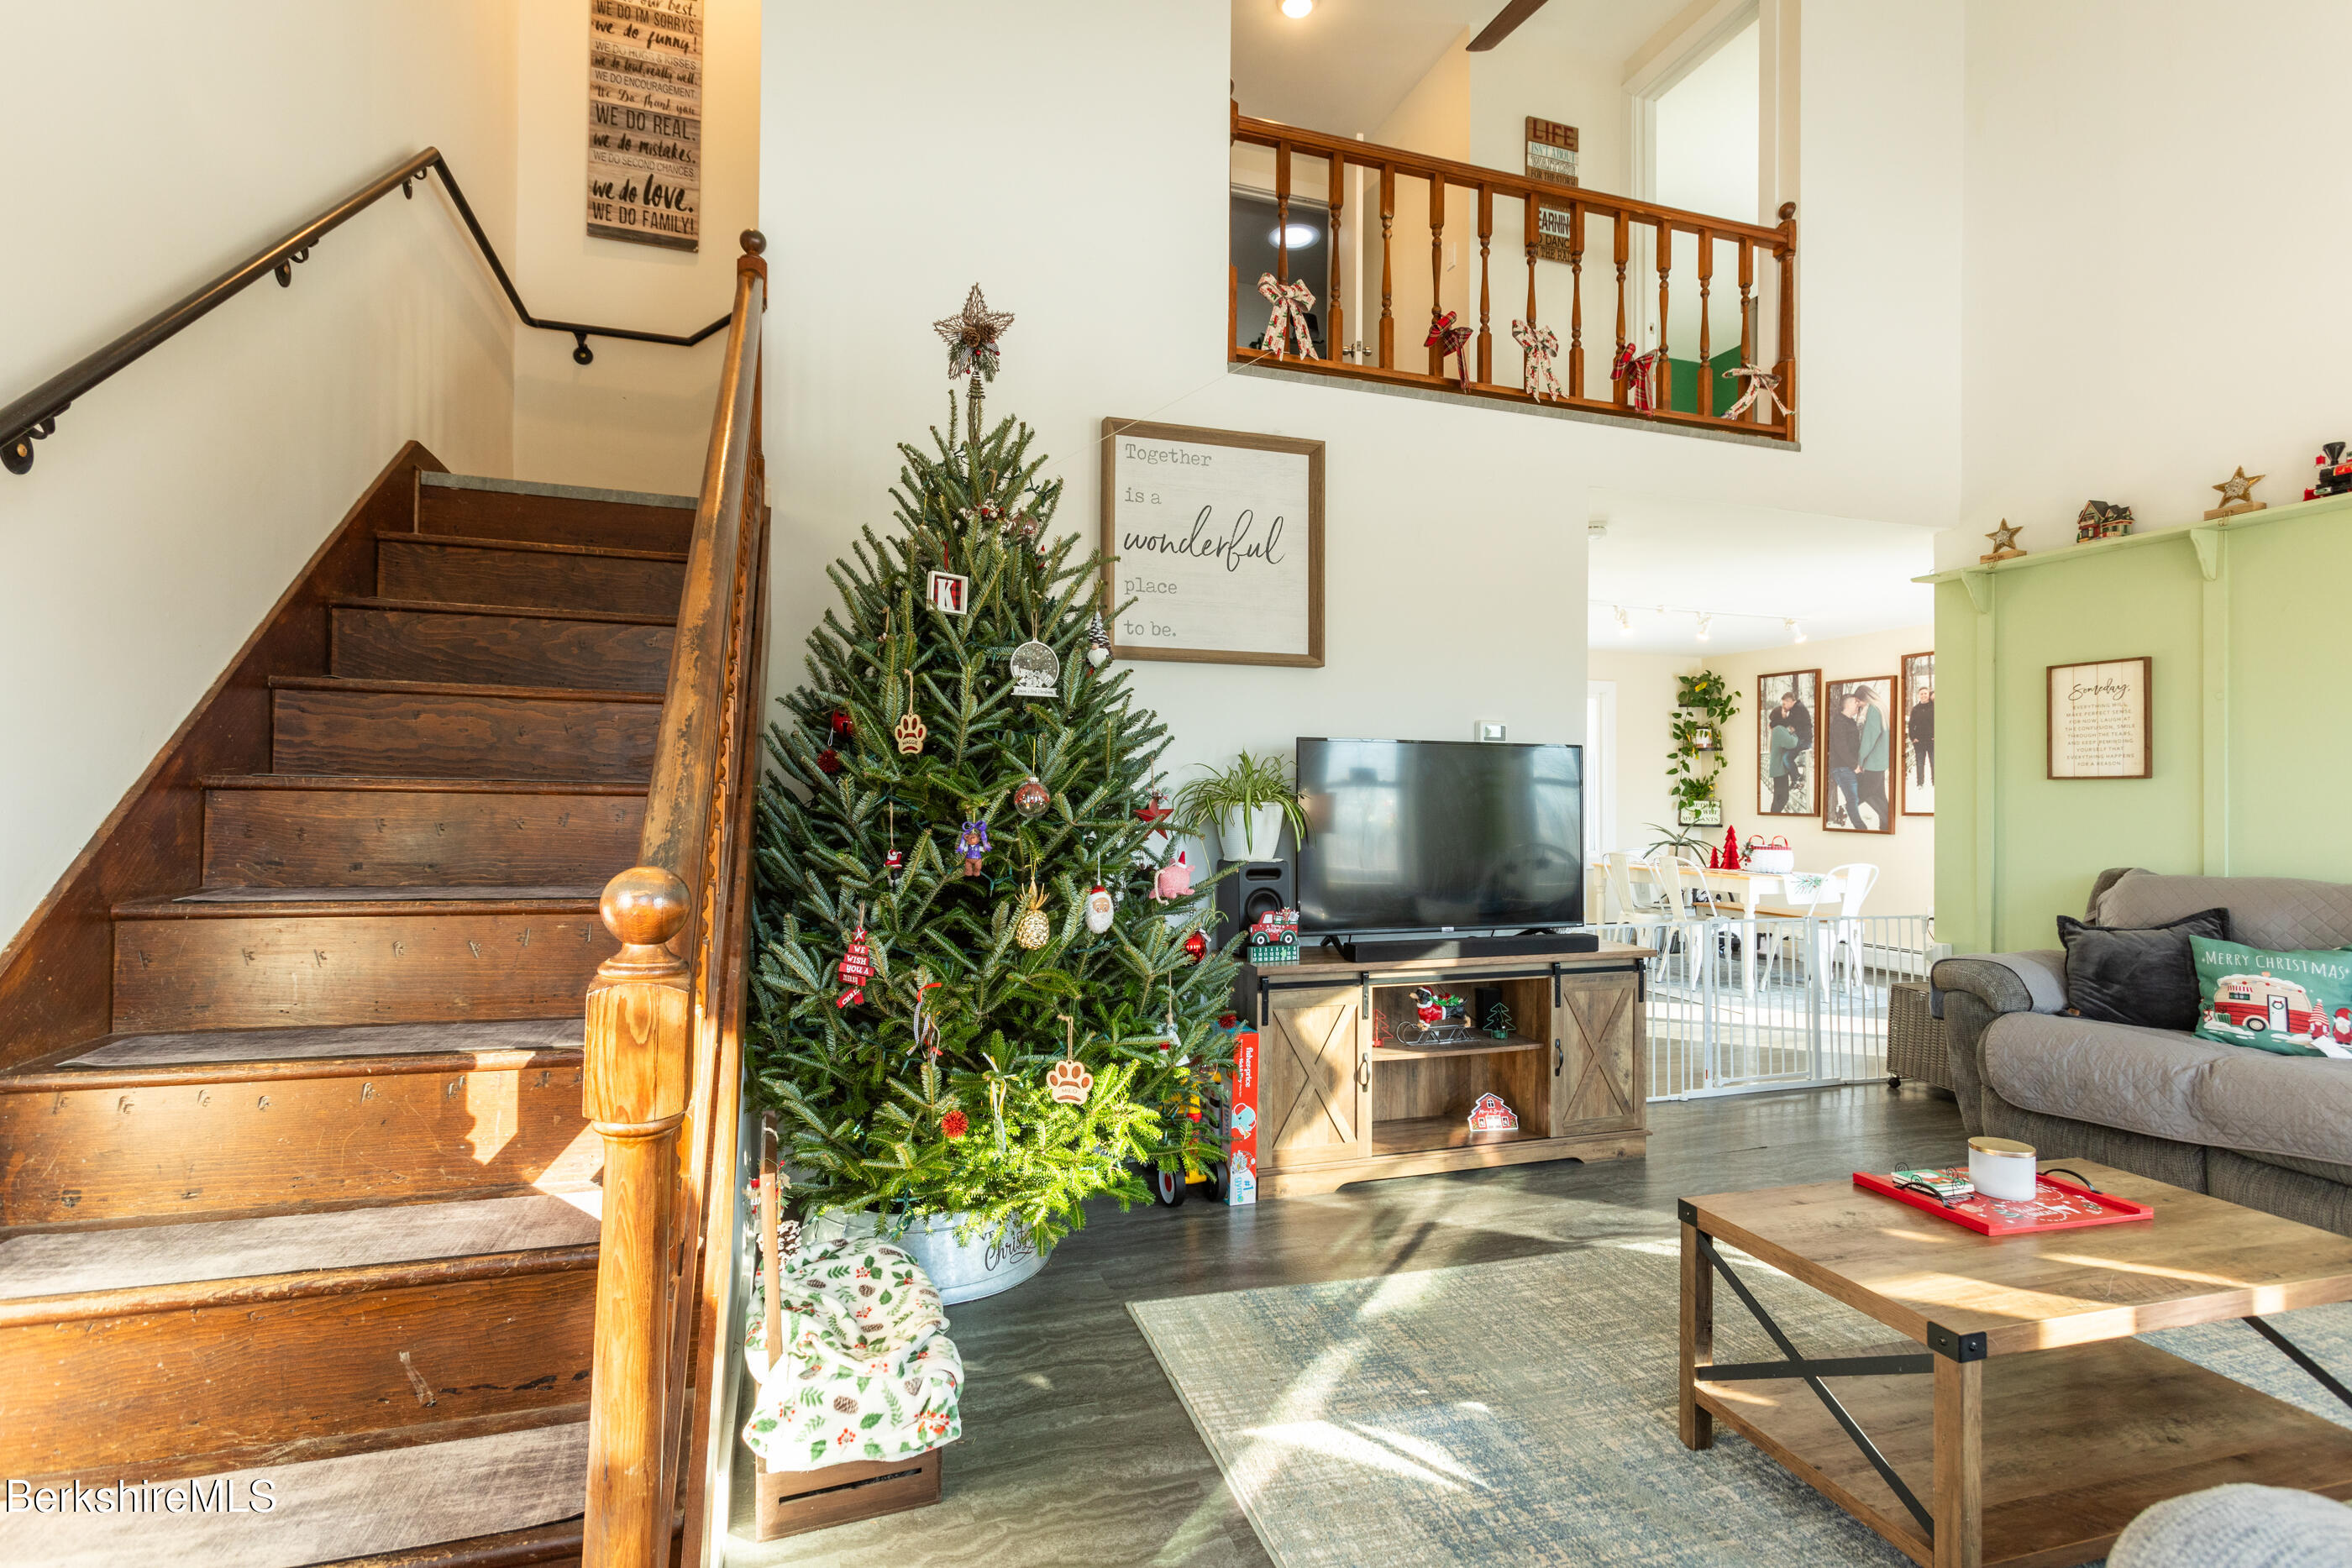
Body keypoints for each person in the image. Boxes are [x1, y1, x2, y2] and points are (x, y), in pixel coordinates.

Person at [1767, 688, 1814, 813]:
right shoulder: (1779, 729)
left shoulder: (1796, 710)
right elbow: (1791, 743)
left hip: (1779, 769)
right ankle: (1796, 779)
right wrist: (1792, 733)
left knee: (1781, 798)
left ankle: (1796, 779)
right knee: (1781, 799)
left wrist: (1792, 731)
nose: (1784, 709)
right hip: (1779, 770)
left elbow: (1790, 725)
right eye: (1782, 707)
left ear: (1790, 701)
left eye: (1784, 704)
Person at [1826, 690, 1863, 829]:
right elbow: (1842, 748)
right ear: (1847, 705)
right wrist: (1854, 765)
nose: (1858, 705)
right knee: (1853, 799)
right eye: (1855, 702)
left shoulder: (1850, 721)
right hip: (1843, 768)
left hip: (1850, 766)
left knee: (1859, 796)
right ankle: (1861, 828)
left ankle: (1845, 808)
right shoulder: (1839, 722)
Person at [1856, 685, 1890, 828]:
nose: (1858, 705)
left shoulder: (1873, 710)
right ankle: (1886, 826)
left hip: (1873, 762)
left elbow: (1869, 738)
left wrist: (1860, 760)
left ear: (1864, 698)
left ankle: (1889, 822)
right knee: (1879, 795)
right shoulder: (1882, 708)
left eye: (1859, 702)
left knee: (1864, 793)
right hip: (1881, 760)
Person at [1909, 682, 1935, 788]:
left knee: (1934, 762)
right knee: (1920, 763)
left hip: (1932, 740)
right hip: (1919, 741)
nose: (1923, 695)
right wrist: (1913, 737)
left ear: (1928, 694)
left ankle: (1935, 781)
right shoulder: (1915, 709)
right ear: (1919, 695)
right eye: (1921, 694)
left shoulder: (1934, 707)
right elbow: (1911, 725)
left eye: (1925, 693)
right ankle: (1920, 783)